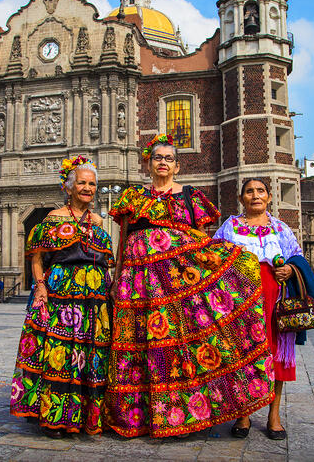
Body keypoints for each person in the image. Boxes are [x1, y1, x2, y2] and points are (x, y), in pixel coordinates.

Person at [105, 135, 273, 438]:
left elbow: (200, 242)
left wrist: (228, 263)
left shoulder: (190, 196)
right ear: (147, 163)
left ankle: (180, 415)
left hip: (179, 285)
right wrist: (117, 277)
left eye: (169, 158)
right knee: (140, 342)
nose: (163, 163)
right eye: (158, 157)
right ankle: (140, 415)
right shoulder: (132, 196)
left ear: (177, 166)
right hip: (139, 283)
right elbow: (124, 238)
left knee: (180, 341)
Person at [10, 155, 113, 438]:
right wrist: (40, 286)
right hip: (61, 292)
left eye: (92, 184)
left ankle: (83, 418)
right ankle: (55, 417)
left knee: (89, 355)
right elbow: (36, 257)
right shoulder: (53, 218)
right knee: (59, 354)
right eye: (82, 183)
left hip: (94, 296)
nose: (88, 188)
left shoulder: (98, 220)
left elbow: (103, 260)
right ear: (68, 187)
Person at [213, 178, 306, 440]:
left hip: (274, 299)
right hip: (238, 301)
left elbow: (297, 256)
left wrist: (290, 268)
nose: (256, 195)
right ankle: (243, 414)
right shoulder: (230, 227)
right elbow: (213, 256)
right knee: (243, 355)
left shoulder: (281, 228)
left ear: (269, 197)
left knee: (276, 355)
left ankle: (273, 415)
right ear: (241, 198)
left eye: (261, 191)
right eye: (250, 191)